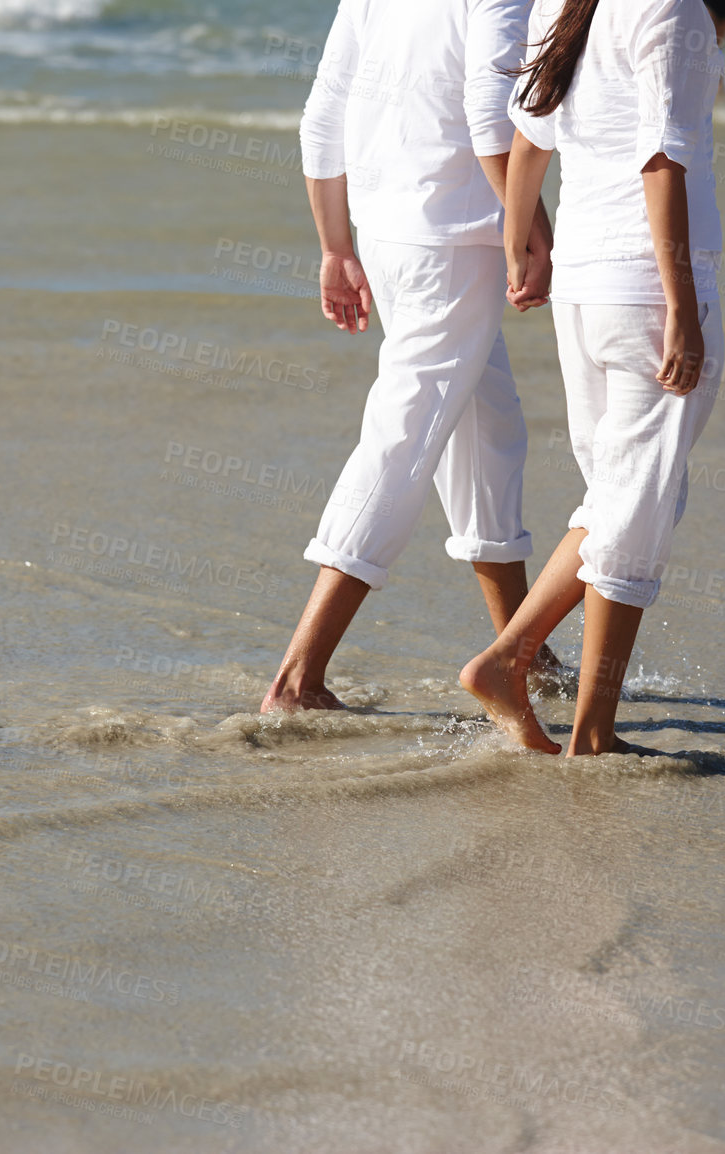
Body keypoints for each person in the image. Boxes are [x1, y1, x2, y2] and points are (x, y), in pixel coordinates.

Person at [260, 0, 561, 713]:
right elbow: (491, 113)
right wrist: (531, 228)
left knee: (487, 432)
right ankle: (298, 679)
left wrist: (335, 247)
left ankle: (525, 652)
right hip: (454, 242)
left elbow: (323, 113)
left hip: (386, 236)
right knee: (402, 441)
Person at [459, 0, 725, 754]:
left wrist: (523, 247)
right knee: (636, 508)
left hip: (583, 288)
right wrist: (682, 305)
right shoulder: (671, 10)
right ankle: (589, 728)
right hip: (645, 289)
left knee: (624, 495)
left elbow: (528, 135)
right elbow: (663, 159)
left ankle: (509, 660)